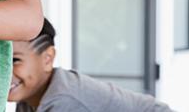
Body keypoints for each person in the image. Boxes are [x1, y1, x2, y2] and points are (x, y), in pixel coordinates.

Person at [9, 19, 176, 112]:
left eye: (15, 60)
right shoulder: (30, 96)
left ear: (47, 58)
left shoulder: (66, 102)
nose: (4, 72)